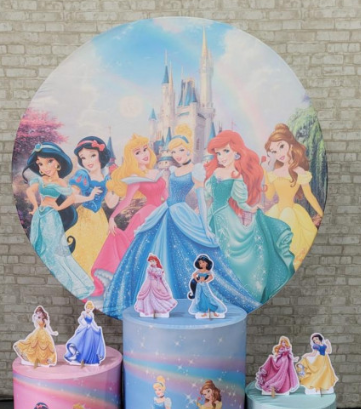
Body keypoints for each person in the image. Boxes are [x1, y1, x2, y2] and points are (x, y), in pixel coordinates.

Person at [102, 125, 259, 318]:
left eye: (181, 150)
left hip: (181, 213)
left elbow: (201, 200)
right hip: (165, 211)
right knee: (147, 251)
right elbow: (158, 192)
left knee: (185, 254)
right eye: (174, 152)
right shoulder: (172, 171)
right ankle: (153, 301)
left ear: (189, 150)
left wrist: (205, 226)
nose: (177, 155)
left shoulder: (197, 170)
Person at [204, 130, 295, 304]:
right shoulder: (216, 173)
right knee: (213, 253)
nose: (222, 157)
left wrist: (252, 209)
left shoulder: (236, 176)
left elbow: (240, 201)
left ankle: (233, 293)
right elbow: (207, 196)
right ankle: (214, 292)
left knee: (229, 254)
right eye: (218, 153)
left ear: (236, 152)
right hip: (213, 215)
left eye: (226, 151)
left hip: (226, 219)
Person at [90, 134, 167, 297]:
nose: (144, 154)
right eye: (137, 152)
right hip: (146, 216)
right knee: (142, 250)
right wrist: (112, 217)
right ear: (132, 158)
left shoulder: (157, 173)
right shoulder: (136, 179)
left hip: (162, 213)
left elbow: (167, 197)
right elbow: (126, 201)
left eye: (145, 149)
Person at [22, 142, 94, 299]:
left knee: (52, 247)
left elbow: (72, 197)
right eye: (40, 164)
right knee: (38, 244)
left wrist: (59, 207)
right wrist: (35, 206)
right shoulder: (40, 180)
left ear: (58, 163)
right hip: (39, 216)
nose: (45, 167)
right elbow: (30, 191)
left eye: (49, 161)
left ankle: (61, 281)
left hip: (51, 217)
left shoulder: (60, 183)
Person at [264, 124, 324, 270]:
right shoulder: (275, 173)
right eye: (274, 151)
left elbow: (309, 195)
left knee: (287, 230)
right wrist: (266, 176)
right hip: (276, 211)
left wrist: (321, 213)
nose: (279, 153)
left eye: (281, 146)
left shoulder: (299, 171)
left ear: (290, 145)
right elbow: (269, 195)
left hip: (290, 212)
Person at [65, 136, 119, 274]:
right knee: (84, 249)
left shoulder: (107, 179)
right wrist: (89, 197)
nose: (88, 161)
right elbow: (72, 198)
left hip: (100, 220)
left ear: (101, 155)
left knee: (99, 250)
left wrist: (120, 189)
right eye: (83, 158)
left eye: (92, 155)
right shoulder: (83, 175)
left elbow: (110, 203)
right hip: (84, 218)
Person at [64, 301, 106, 365]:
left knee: (90, 344)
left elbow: (93, 322)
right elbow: (79, 320)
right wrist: (84, 324)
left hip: (91, 330)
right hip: (86, 330)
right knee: (83, 343)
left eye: (89, 308)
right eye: (87, 307)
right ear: (85, 307)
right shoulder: (84, 313)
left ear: (91, 309)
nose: (88, 309)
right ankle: (80, 357)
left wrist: (97, 328)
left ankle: (89, 359)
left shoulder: (91, 314)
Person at [187, 254, 227, 319]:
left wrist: (206, 280)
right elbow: (194, 274)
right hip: (199, 286)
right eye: (200, 263)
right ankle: (204, 312)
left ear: (207, 263)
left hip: (204, 285)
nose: (202, 264)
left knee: (208, 297)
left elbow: (211, 277)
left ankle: (214, 311)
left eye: (203, 262)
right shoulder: (199, 270)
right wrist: (196, 280)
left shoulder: (208, 271)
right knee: (200, 297)